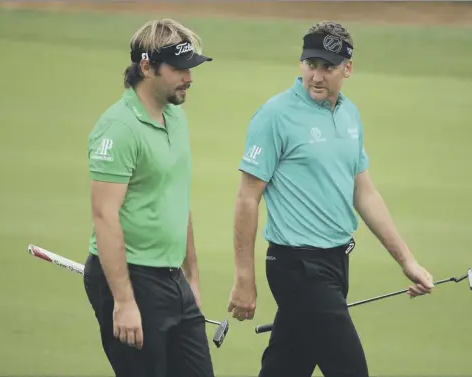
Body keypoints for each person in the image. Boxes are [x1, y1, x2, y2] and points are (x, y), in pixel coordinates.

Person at [227, 20, 435, 377]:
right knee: (350, 368)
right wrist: (244, 277)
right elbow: (247, 198)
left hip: (336, 263)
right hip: (297, 266)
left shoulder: (350, 115)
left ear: (348, 68)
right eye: (311, 64)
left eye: (328, 67)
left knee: (286, 366)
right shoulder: (275, 115)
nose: (317, 76)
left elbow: (364, 192)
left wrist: (408, 261)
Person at [83, 18, 215, 377]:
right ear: (146, 66)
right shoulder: (119, 128)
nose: (189, 77)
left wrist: (192, 277)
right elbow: (104, 216)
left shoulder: (175, 117)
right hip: (131, 279)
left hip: (173, 279)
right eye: (179, 68)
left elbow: (177, 201)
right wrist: (124, 302)